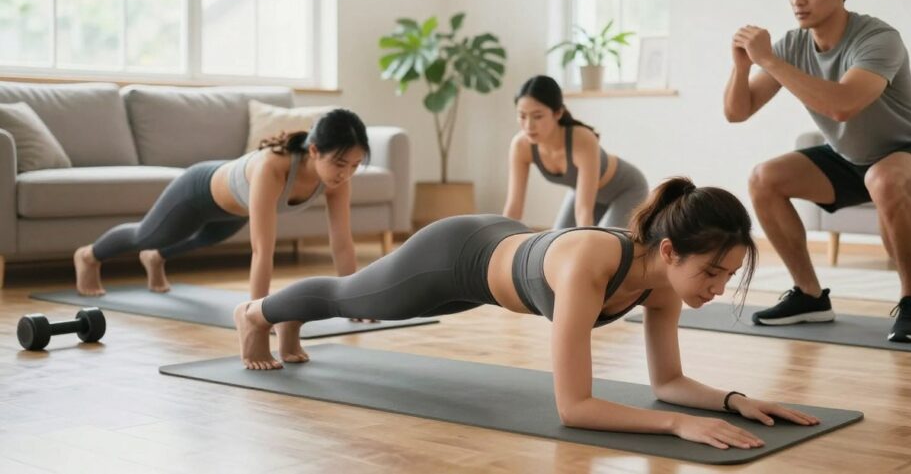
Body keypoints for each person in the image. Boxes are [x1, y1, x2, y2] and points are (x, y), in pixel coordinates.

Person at [233, 177, 820, 449]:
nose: (715, 289)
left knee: (349, 296)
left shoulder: (664, 283)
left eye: (726, 277)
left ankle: (289, 317)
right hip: (453, 257)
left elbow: (666, 382)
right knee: (353, 299)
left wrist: (732, 401)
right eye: (711, 273)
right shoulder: (593, 264)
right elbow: (574, 408)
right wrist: (675, 425)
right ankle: (258, 314)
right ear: (670, 250)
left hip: (499, 254)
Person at [723, 0, 911, 342]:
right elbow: (737, 112)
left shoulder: (878, 38)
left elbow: (844, 106)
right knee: (764, 178)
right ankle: (810, 296)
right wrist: (742, 67)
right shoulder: (794, 44)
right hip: (848, 157)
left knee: (882, 179)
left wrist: (771, 61)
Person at [74, 108, 369, 308]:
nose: (345, 173)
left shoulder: (337, 181)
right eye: (340, 164)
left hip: (232, 210)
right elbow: (262, 251)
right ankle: (89, 256)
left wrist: (353, 299)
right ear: (314, 151)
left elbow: (341, 242)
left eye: (355, 165)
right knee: (146, 235)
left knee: (205, 239)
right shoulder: (272, 167)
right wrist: (257, 316)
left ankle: (155, 259)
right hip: (197, 193)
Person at [503, 75, 648, 229]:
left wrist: (584, 245)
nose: (528, 125)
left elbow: (583, 212)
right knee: (557, 242)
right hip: (584, 192)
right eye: (522, 116)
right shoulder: (521, 146)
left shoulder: (583, 139)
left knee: (610, 246)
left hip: (626, 190)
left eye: (537, 116)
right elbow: (514, 207)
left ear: (558, 113)